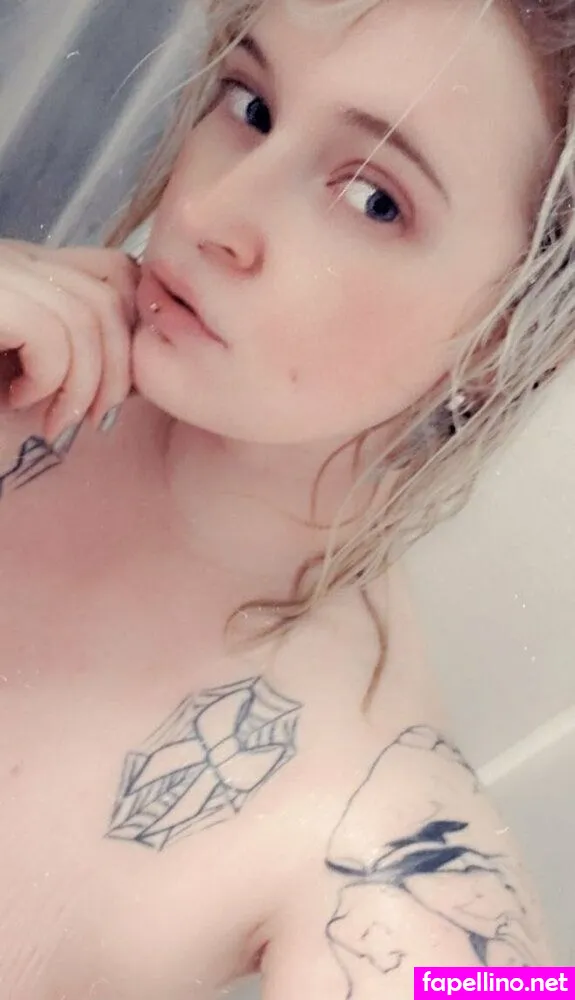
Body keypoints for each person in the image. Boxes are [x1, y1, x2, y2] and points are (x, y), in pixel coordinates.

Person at [0, 0, 570, 996]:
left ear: (500, 336)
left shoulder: (393, 841)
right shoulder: (27, 341)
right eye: (250, 105)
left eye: (373, 199)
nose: (207, 215)